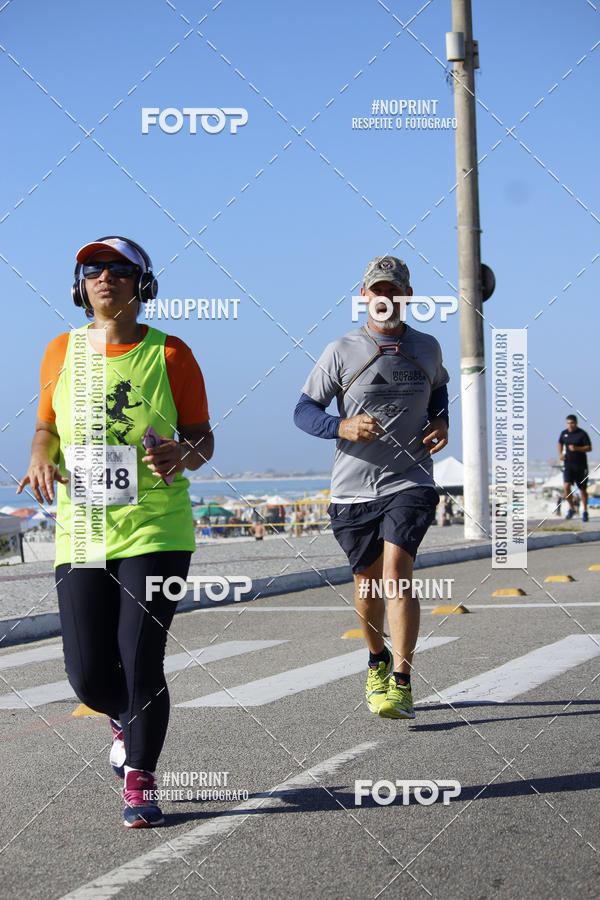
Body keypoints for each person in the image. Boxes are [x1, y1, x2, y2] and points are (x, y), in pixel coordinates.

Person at [17, 236, 214, 828]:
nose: (106, 278)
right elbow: (46, 428)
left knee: (140, 655)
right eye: (93, 269)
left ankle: (141, 779)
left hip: (156, 528)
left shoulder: (172, 354)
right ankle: (121, 717)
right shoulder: (59, 351)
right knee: (87, 673)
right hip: (82, 529)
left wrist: (183, 453)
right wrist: (39, 457)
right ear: (81, 286)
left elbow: (204, 440)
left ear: (141, 284)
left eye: (120, 270)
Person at [294, 255, 448, 720]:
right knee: (367, 583)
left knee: (397, 571)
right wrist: (342, 426)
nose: (385, 298)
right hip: (353, 488)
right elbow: (303, 412)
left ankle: (401, 682)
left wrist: (441, 421)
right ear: (364, 296)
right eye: (377, 290)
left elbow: (438, 388)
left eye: (394, 291)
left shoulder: (428, 347)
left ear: (408, 297)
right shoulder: (341, 350)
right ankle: (376, 661)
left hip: (411, 479)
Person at [557, 414, 591, 521]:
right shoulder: (564, 433)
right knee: (566, 486)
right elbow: (560, 442)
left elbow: (589, 448)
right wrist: (560, 454)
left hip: (581, 466)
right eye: (568, 423)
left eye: (572, 423)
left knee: (582, 490)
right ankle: (571, 508)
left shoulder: (582, 434)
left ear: (576, 423)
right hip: (568, 465)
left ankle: (585, 510)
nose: (570, 425)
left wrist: (576, 448)